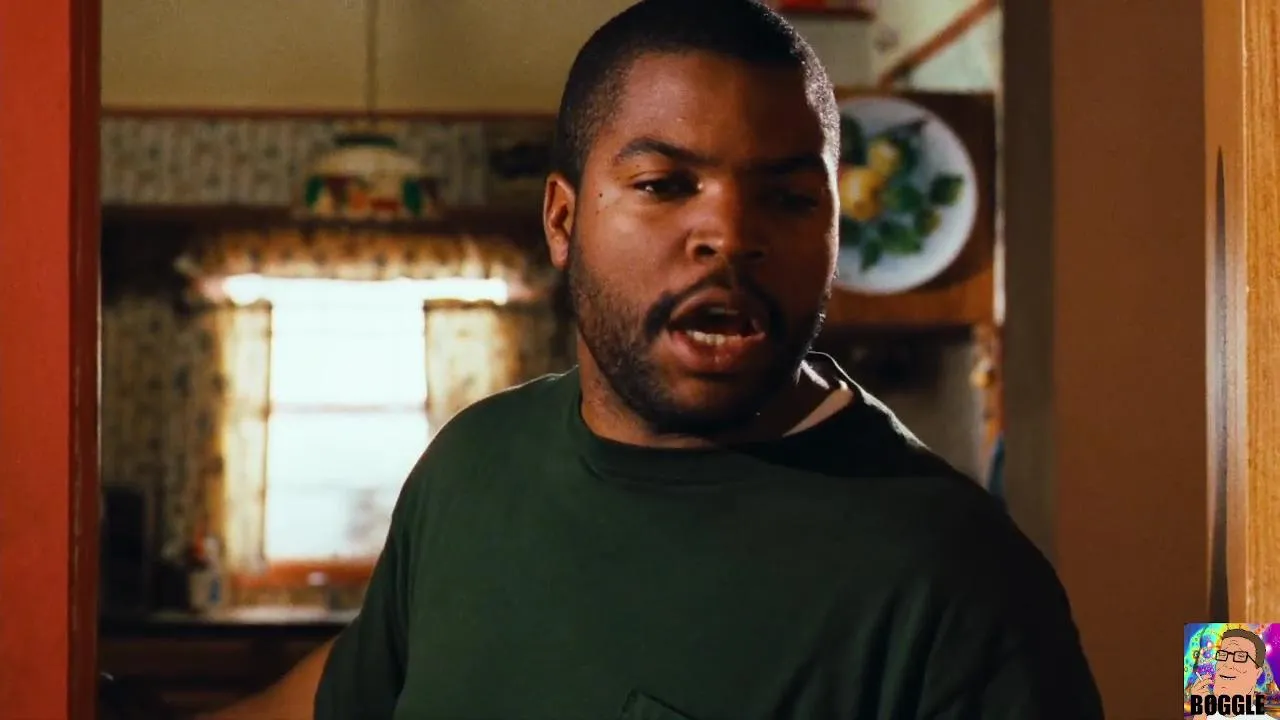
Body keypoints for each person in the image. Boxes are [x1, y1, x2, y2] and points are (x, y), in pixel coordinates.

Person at [307, 1, 1105, 718]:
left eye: (789, 198)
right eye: (664, 184)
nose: (730, 235)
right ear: (562, 221)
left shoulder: (961, 581)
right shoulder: (472, 465)